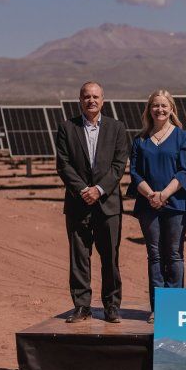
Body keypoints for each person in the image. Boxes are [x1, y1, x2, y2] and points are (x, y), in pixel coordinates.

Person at [56, 81, 129, 323]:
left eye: (95, 97)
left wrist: (98, 190)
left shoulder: (117, 128)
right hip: (78, 203)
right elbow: (63, 164)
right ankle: (81, 306)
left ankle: (111, 306)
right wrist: (82, 190)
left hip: (108, 204)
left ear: (103, 100)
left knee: (110, 258)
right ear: (80, 100)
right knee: (79, 257)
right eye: (86, 97)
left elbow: (119, 165)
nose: (91, 101)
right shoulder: (67, 128)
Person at [127, 89, 186, 324]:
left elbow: (184, 170)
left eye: (163, 105)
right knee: (155, 255)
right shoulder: (140, 139)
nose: (159, 109)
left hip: (177, 202)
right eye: (155, 106)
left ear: (171, 109)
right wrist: (151, 195)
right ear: (149, 110)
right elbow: (135, 172)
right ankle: (158, 308)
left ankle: (174, 308)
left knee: (175, 254)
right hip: (148, 204)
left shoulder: (182, 137)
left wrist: (164, 194)